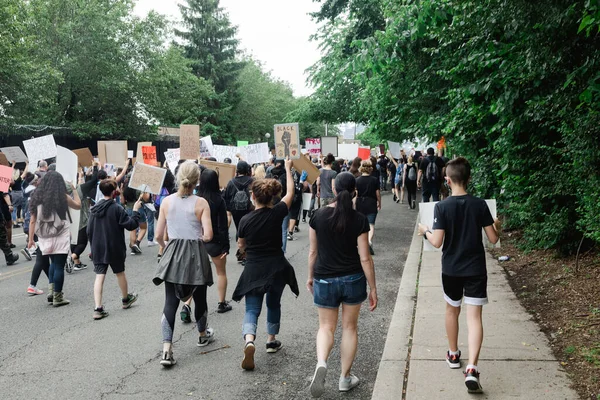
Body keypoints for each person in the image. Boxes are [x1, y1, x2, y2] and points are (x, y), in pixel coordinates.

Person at [417, 157, 501, 394]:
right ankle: (472, 368)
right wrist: (497, 225)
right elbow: (493, 239)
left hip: (451, 269)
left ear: (447, 179)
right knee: (474, 318)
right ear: (469, 178)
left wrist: (425, 231)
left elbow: (437, 241)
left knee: (451, 310)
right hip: (475, 269)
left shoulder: (441, 207)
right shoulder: (480, 205)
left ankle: (453, 355)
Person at [307, 172, 378, 397]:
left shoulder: (318, 216)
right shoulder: (359, 220)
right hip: (353, 279)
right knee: (349, 328)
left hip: (325, 278)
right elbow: (365, 258)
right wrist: (373, 287)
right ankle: (345, 378)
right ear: (354, 191)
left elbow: (313, 252)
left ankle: (321, 362)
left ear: (334, 189)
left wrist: (311, 276)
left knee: (326, 327)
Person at [232, 159, 299, 371]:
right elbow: (290, 194)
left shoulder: (245, 221)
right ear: (272, 196)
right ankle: (271, 340)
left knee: (252, 308)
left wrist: (243, 251)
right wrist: (288, 169)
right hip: (277, 266)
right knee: (273, 303)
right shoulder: (278, 212)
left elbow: (241, 245)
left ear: (253, 197)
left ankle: (250, 340)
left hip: (253, 268)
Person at [153, 161, 214, 367]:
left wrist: (167, 245)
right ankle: (202, 334)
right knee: (200, 298)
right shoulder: (201, 203)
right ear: (197, 180)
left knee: (170, 302)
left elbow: (158, 235)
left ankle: (166, 349)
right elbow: (208, 235)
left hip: (172, 254)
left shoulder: (167, 202)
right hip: (195, 254)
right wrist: (197, 238)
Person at [180, 169, 232, 320]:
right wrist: (226, 246)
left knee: (194, 276)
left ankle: (186, 304)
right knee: (221, 272)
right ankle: (221, 303)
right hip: (215, 242)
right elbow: (223, 226)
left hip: (197, 240)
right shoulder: (219, 199)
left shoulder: (195, 199)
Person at [87, 179, 140, 320]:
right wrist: (135, 211)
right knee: (120, 272)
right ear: (113, 192)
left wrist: (92, 247)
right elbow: (131, 225)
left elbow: (89, 230)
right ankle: (125, 299)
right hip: (114, 246)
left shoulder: (94, 209)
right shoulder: (116, 208)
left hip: (98, 247)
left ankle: (98, 308)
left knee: (99, 276)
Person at [27, 171, 81, 306]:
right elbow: (78, 205)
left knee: (52, 264)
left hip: (44, 235)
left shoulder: (37, 197)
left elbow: (32, 220)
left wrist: (30, 239)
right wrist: (74, 190)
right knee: (58, 265)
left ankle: (51, 293)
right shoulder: (62, 196)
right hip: (60, 233)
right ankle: (58, 296)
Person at [355, 160, 381, 255]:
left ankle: (361, 245)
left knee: (361, 225)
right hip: (371, 203)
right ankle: (369, 241)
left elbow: (356, 194)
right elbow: (377, 193)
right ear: (370, 168)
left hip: (360, 203)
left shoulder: (357, 180)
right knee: (371, 225)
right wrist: (379, 203)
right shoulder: (374, 180)